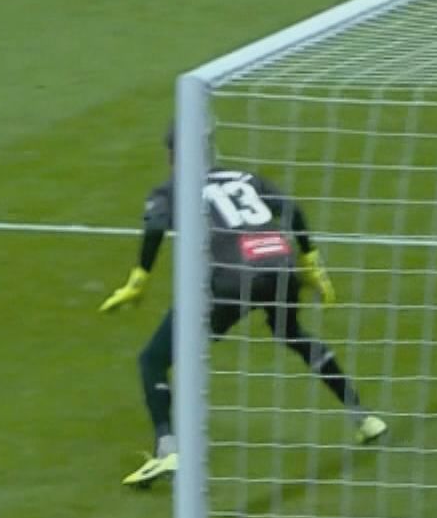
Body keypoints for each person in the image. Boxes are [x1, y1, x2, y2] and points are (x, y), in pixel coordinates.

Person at [99, 125, 388, 488]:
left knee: (154, 359)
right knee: (291, 333)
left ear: (173, 156)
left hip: (232, 281)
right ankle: (365, 417)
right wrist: (311, 263)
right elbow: (292, 210)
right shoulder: (245, 178)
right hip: (280, 266)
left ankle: (167, 449)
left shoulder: (172, 188)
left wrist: (138, 280)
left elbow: (156, 226)